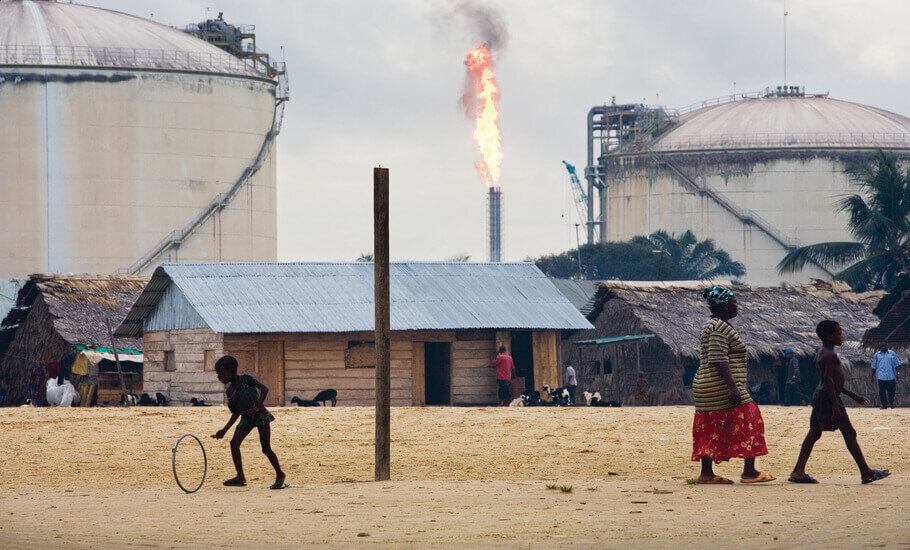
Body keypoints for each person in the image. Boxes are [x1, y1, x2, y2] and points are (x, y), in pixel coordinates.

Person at [789, 321, 889, 484]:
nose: (841, 337)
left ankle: (798, 471)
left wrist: (852, 395)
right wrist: (836, 405)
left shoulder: (821, 352)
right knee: (849, 432)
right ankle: (866, 472)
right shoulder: (830, 355)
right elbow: (828, 380)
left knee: (814, 431)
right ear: (830, 336)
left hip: (821, 396)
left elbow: (830, 381)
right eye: (839, 333)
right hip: (828, 398)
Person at [692, 286, 774, 484]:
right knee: (750, 418)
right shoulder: (720, 327)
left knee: (711, 425)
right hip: (719, 385)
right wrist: (732, 387)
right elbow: (718, 358)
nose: (736, 306)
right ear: (725, 307)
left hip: (706, 385)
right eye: (734, 302)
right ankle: (749, 472)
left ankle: (706, 473)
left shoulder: (711, 325)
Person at [212, 355, 288, 489]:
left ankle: (280, 474)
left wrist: (258, 406)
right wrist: (224, 430)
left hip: (261, 416)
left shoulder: (246, 379)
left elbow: (264, 389)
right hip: (246, 419)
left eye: (221, 373)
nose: (219, 377)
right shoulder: (230, 391)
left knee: (266, 448)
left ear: (231, 370)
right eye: (218, 374)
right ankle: (240, 476)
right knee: (234, 443)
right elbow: (236, 412)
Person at [871, 345, 899, 409]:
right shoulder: (877, 355)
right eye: (881, 346)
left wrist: (898, 374)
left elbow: (897, 364)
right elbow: (873, 366)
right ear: (879, 347)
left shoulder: (892, 353)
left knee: (892, 391)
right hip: (881, 376)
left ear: (887, 346)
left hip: (891, 376)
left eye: (884, 346)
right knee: (882, 392)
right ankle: (884, 405)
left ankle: (891, 403)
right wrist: (872, 376)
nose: (883, 347)